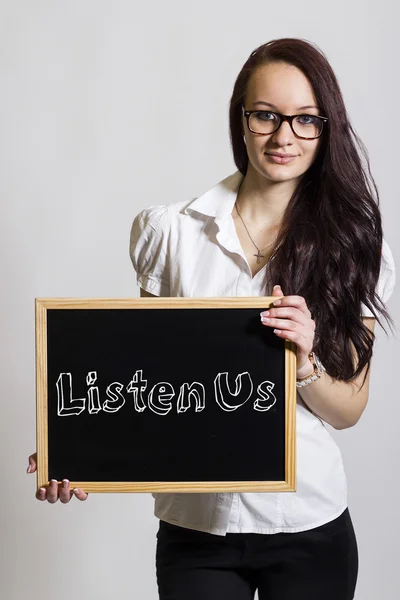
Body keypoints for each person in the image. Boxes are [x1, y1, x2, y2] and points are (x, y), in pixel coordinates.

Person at [27, 37, 396, 600]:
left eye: (304, 120)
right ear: (241, 119)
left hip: (308, 525)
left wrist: (304, 364)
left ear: (327, 128)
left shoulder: (358, 248)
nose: (283, 137)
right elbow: (149, 382)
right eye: (266, 115)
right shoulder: (170, 232)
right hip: (195, 527)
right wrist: (75, 446)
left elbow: (349, 410)